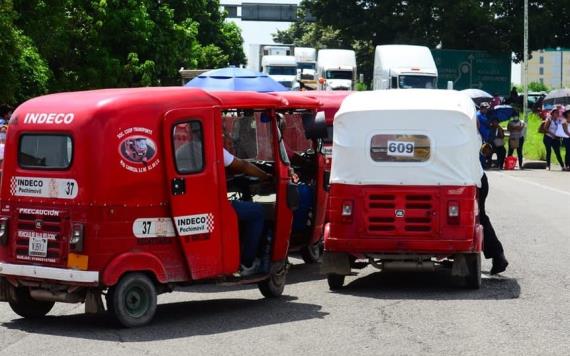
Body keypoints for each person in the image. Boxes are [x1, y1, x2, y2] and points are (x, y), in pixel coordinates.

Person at [224, 148, 272, 276]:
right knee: (257, 212)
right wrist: (265, 176)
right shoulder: (214, 148)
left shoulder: (182, 150)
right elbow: (243, 165)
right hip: (217, 206)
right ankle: (247, 263)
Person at [478, 172, 509, 274]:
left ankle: (498, 255)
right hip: (468, 178)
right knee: (480, 217)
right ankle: (498, 255)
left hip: (472, 179)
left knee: (478, 217)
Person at [477, 102, 493, 169]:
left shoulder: (484, 115)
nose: (486, 110)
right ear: (481, 108)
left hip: (485, 136)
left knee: (484, 151)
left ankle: (483, 164)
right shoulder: (478, 115)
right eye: (485, 109)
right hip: (480, 136)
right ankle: (481, 165)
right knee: (481, 151)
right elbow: (487, 123)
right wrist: (490, 123)